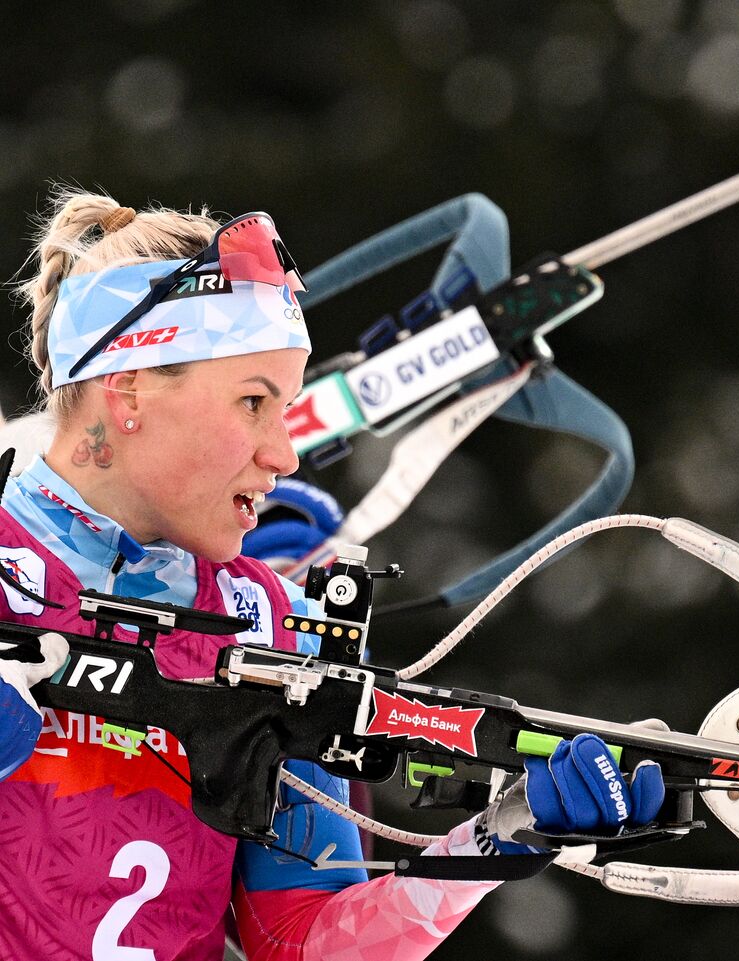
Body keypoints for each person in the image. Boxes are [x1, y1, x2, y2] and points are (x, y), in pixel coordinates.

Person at [0, 191, 663, 961]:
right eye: (254, 402)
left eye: (285, 408)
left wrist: (497, 839)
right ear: (131, 393)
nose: (284, 453)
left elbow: (305, 941)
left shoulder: (264, 619)